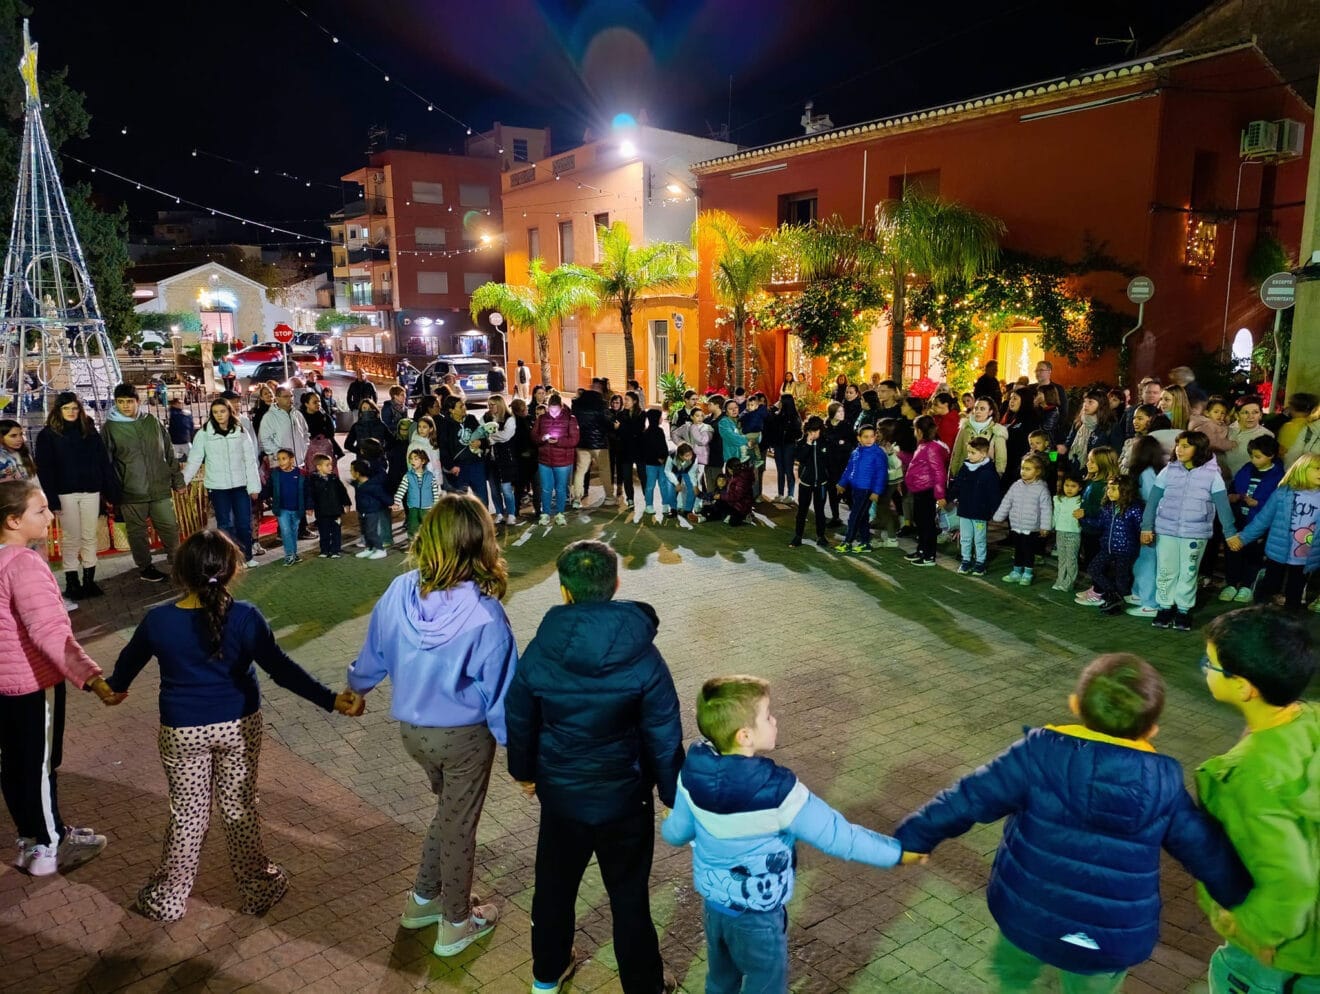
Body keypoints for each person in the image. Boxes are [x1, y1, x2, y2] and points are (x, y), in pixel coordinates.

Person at [895, 653, 1251, 994]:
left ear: (1075, 706)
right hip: (1108, 938)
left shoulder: (1038, 754)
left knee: (1015, 975)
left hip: (1028, 915)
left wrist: (914, 838)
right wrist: (1236, 894)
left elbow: (968, 798)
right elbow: (1204, 848)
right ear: (1153, 729)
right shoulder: (1163, 783)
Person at [104, 530, 363, 921]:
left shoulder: (158, 621)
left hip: (181, 730)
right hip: (238, 727)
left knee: (188, 814)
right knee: (239, 808)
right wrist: (330, 699)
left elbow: (120, 679)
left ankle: (167, 900)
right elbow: (281, 669)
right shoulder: (245, 618)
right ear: (231, 571)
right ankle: (258, 888)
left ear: (179, 573)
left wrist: (104, 688)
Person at [505, 540, 683, 994]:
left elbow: (520, 716)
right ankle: (644, 987)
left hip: (562, 798)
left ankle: (546, 976)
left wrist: (523, 772)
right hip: (626, 799)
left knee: (554, 889)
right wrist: (671, 795)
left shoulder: (542, 650)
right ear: (616, 584)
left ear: (563, 591)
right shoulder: (643, 654)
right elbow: (664, 731)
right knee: (628, 899)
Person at [663, 676, 915, 992]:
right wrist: (897, 851)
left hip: (715, 909)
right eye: (767, 715)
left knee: (720, 979)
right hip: (759, 917)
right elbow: (841, 837)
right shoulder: (780, 793)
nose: (775, 720)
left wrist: (674, 821)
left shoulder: (692, 776)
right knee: (765, 984)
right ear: (744, 735)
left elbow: (675, 833)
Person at [347, 493, 517, 956]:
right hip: (464, 739)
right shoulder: (486, 615)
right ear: (480, 543)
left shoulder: (399, 590)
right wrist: (521, 760)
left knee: (449, 815)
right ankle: (456, 923)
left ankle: (423, 899)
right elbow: (500, 695)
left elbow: (373, 652)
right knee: (461, 826)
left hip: (413, 735)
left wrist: (356, 688)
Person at [1194, 607, 1320, 994]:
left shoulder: (1244, 776)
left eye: (1210, 664)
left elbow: (1291, 882)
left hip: (1276, 958)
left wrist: (1253, 929)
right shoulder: (1311, 720)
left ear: (1245, 687)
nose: (1204, 669)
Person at [0, 480, 115, 877]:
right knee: (40, 765)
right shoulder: (24, 564)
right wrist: (92, 678)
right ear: (14, 520)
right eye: (41, 510)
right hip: (33, 684)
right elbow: (49, 632)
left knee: (14, 765)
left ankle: (33, 837)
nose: (50, 517)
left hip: (4, 687)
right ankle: (50, 847)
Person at [1141, 431, 1239, 630]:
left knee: (1188, 572)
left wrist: (1230, 532)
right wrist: (1146, 527)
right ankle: (1165, 607)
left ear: (1199, 449)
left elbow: (1223, 505)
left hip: (1196, 533)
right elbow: (1152, 502)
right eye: (1179, 445)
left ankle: (1183, 610)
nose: (1180, 449)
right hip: (1167, 530)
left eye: (1186, 446)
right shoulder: (1169, 471)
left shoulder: (1212, 475)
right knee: (1166, 571)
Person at [104, 383, 184, 583]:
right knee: (137, 533)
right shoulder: (110, 427)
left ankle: (178, 563)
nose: (125, 406)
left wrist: (177, 479)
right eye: (120, 402)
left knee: (169, 527)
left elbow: (168, 451)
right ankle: (146, 567)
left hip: (159, 488)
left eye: (129, 402)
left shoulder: (152, 421)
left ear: (137, 402)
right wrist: (112, 492)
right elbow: (106, 462)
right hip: (131, 491)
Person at [1226, 452, 1320, 610]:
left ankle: (1288, 624)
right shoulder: (1282, 493)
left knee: (1295, 593)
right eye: (1317, 468)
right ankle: (1262, 615)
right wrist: (1242, 538)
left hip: (1305, 558)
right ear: (1302, 469)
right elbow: (1263, 520)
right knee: (1269, 588)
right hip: (1277, 553)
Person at [183, 399, 262, 566]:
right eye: (215, 412)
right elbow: (195, 459)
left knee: (243, 523)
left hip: (240, 485)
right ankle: (230, 560)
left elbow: (250, 460)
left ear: (230, 411)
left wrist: (254, 486)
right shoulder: (204, 433)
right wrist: (183, 481)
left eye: (222, 411)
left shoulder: (241, 432)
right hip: (218, 487)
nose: (219, 415)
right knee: (225, 525)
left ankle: (246, 557)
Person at [1221, 436, 1284, 604]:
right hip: (1239, 518)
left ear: (1271, 455)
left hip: (1259, 522)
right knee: (1233, 550)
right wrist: (1232, 496)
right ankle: (1231, 583)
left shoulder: (1278, 475)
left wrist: (1258, 503)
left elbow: (1279, 502)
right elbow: (1234, 486)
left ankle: (1247, 586)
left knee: (1254, 555)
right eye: (1252, 456)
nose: (1253, 460)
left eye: (1258, 456)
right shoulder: (1247, 469)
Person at [1079, 474, 1145, 614]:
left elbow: (1142, 528)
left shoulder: (1134, 508)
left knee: (1121, 577)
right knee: (1093, 569)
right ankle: (1112, 594)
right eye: (1108, 488)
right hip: (1107, 548)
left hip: (1126, 550)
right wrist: (1083, 518)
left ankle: (1114, 604)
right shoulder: (1108, 507)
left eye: (1114, 489)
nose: (1109, 492)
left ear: (1126, 490)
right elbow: (1099, 524)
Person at [994, 453, 1054, 585]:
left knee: (1028, 551)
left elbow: (1046, 509)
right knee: (1018, 550)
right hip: (1016, 525)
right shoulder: (1016, 485)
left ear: (1038, 471)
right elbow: (1007, 501)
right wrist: (999, 516)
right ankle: (1016, 571)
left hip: (1031, 527)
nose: (1023, 472)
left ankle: (1027, 573)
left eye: (1028, 469)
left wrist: (1045, 526)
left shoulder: (1042, 489)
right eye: (1022, 468)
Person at [944, 435, 999, 575]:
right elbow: (957, 486)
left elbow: (994, 494)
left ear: (984, 453)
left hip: (980, 512)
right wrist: (947, 498)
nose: (969, 455)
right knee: (965, 538)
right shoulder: (965, 468)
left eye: (973, 452)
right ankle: (966, 561)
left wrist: (994, 511)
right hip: (965, 510)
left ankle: (980, 563)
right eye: (968, 452)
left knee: (980, 539)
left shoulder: (989, 472)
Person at [904, 415, 949, 566]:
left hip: (926, 490)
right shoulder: (924, 446)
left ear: (920, 430)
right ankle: (922, 549)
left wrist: (939, 494)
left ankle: (929, 555)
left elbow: (939, 472)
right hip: (920, 489)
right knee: (920, 520)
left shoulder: (931, 448)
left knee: (927, 523)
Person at [835, 423, 886, 553]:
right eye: (865, 437)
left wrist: (876, 491)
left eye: (871, 436)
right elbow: (849, 469)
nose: (869, 439)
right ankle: (865, 542)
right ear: (859, 438)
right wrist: (842, 482)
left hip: (866, 490)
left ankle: (848, 542)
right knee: (862, 517)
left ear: (875, 437)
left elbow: (881, 473)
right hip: (856, 489)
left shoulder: (878, 453)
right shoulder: (856, 452)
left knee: (855, 516)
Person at [534, 393, 578, 526]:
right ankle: (545, 513)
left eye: (556, 410)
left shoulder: (570, 419)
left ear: (561, 407)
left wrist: (558, 441)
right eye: (551, 410)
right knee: (546, 488)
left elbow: (574, 440)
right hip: (545, 460)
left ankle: (560, 513)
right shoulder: (541, 418)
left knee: (560, 488)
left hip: (563, 461)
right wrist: (541, 438)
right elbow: (534, 436)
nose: (553, 413)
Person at [790, 416, 830, 547]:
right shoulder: (801, 443)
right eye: (811, 431)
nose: (813, 434)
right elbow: (800, 458)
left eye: (816, 431)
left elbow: (830, 461)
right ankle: (798, 536)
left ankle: (821, 536)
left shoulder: (825, 442)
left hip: (821, 483)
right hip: (806, 483)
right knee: (802, 510)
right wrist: (807, 443)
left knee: (820, 511)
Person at [570, 387, 611, 509]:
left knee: (580, 471)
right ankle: (609, 496)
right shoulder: (601, 408)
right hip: (600, 445)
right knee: (605, 471)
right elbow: (607, 424)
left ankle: (577, 499)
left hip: (582, 444)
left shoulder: (577, 409)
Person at [950, 396, 1008, 476]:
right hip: (964, 474)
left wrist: (998, 476)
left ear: (990, 412)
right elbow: (956, 453)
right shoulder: (965, 427)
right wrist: (954, 472)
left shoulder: (997, 430)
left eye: (982, 409)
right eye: (976, 408)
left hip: (985, 477)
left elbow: (1001, 458)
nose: (978, 411)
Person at [307, 454, 350, 558]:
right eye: (327, 465)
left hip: (336, 510)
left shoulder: (334, 479)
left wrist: (346, 503)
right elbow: (309, 494)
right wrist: (309, 506)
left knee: (336, 531)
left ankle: (335, 550)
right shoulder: (313, 480)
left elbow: (342, 492)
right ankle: (324, 550)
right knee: (324, 531)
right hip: (322, 512)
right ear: (319, 467)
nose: (330, 467)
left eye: (331, 464)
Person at [394, 449, 441, 540]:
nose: (412, 461)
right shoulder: (408, 476)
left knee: (427, 527)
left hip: (427, 507)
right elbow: (401, 490)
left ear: (423, 461)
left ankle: (428, 544)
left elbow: (435, 491)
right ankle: (412, 544)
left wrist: (436, 504)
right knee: (413, 527)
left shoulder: (430, 476)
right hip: (413, 507)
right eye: (411, 459)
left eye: (416, 459)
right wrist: (396, 502)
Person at [269, 449, 305, 567]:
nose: (280, 461)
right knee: (285, 530)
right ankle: (289, 554)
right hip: (282, 509)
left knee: (294, 531)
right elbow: (269, 488)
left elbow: (306, 492)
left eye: (283, 458)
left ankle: (294, 554)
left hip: (296, 509)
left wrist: (309, 506)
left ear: (291, 459)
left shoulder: (301, 474)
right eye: (278, 459)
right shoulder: (275, 474)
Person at [349, 458, 390, 559]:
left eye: (351, 470)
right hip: (362, 511)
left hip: (372, 512)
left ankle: (380, 549)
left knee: (371, 531)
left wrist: (392, 503)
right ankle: (369, 548)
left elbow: (382, 496)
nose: (350, 472)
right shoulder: (358, 484)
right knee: (364, 532)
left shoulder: (372, 486)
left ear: (358, 473)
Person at [1051, 473, 1085, 592]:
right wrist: (1050, 526)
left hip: (1074, 533)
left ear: (1080, 487)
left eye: (1073, 486)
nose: (1069, 489)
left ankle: (1069, 582)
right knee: (1062, 558)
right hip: (1060, 532)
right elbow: (1055, 515)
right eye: (1067, 485)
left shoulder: (1081, 500)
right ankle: (1060, 579)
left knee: (1071, 559)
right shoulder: (1058, 499)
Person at [639, 408, 670, 523]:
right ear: (657, 418)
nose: (662, 419)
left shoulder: (646, 432)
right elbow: (663, 447)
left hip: (649, 464)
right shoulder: (659, 431)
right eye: (660, 416)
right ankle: (665, 505)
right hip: (659, 464)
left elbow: (645, 450)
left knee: (650, 485)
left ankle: (649, 506)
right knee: (663, 485)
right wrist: (662, 458)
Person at [703, 458, 755, 527]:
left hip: (741, 506)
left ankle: (745, 516)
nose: (728, 471)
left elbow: (736, 496)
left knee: (733, 522)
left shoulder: (742, 479)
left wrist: (721, 496)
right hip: (732, 502)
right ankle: (705, 515)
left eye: (729, 469)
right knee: (716, 505)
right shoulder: (732, 475)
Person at [0, 419, 36, 484]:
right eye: (13, 436)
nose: (20, 439)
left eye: (21, 434)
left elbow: (34, 480)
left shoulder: (24, 454)